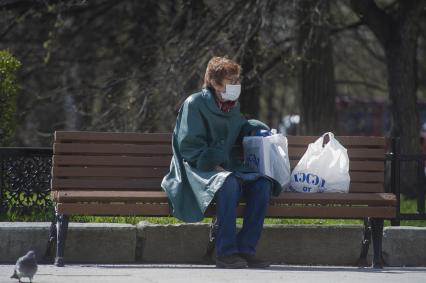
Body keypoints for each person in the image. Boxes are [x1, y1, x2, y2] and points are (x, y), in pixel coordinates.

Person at [161, 56, 283, 269]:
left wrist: (254, 128)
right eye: (230, 81)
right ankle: (225, 253)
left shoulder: (231, 106)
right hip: (197, 168)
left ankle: (246, 250)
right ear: (215, 83)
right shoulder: (195, 103)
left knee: (263, 184)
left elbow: (237, 127)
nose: (236, 85)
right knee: (229, 183)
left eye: (237, 80)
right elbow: (189, 148)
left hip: (225, 167)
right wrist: (215, 162)